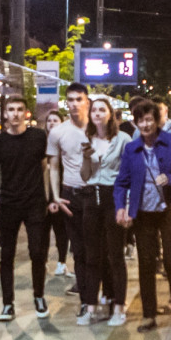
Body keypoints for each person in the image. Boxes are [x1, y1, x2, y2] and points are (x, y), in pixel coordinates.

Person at [115, 98, 171, 331]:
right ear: (136, 123)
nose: (145, 124)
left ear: (157, 120)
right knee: (146, 263)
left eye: (149, 119)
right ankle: (149, 314)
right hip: (143, 213)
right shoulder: (132, 148)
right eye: (141, 120)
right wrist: (121, 206)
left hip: (168, 210)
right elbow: (122, 182)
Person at [0, 98, 51, 322]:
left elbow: (44, 167)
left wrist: (48, 198)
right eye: (11, 110)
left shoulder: (38, 137)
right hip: (10, 203)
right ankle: (7, 303)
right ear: (5, 114)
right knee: (7, 255)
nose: (15, 114)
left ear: (26, 113)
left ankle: (39, 296)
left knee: (37, 251)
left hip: (35, 203)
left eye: (19, 110)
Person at [47, 85, 101, 323]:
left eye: (79, 99)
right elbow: (53, 166)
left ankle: (100, 295)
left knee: (96, 250)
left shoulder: (100, 128)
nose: (75, 104)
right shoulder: (58, 132)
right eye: (70, 100)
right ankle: (86, 301)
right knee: (78, 251)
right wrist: (56, 196)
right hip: (70, 194)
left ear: (87, 102)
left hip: (96, 193)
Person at [86, 97, 131, 327]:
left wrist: (127, 206)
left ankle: (119, 307)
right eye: (94, 110)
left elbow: (129, 173)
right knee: (93, 255)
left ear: (110, 114)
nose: (97, 113)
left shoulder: (123, 139)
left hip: (114, 196)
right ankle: (90, 306)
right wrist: (86, 157)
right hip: (91, 196)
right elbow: (84, 175)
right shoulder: (86, 139)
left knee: (116, 255)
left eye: (102, 110)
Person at [43, 107, 73, 276]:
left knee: (61, 230)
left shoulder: (65, 144)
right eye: (49, 120)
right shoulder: (41, 143)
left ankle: (61, 262)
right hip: (42, 194)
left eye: (55, 120)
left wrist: (57, 197)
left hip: (60, 194)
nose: (52, 123)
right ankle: (43, 262)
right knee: (42, 231)